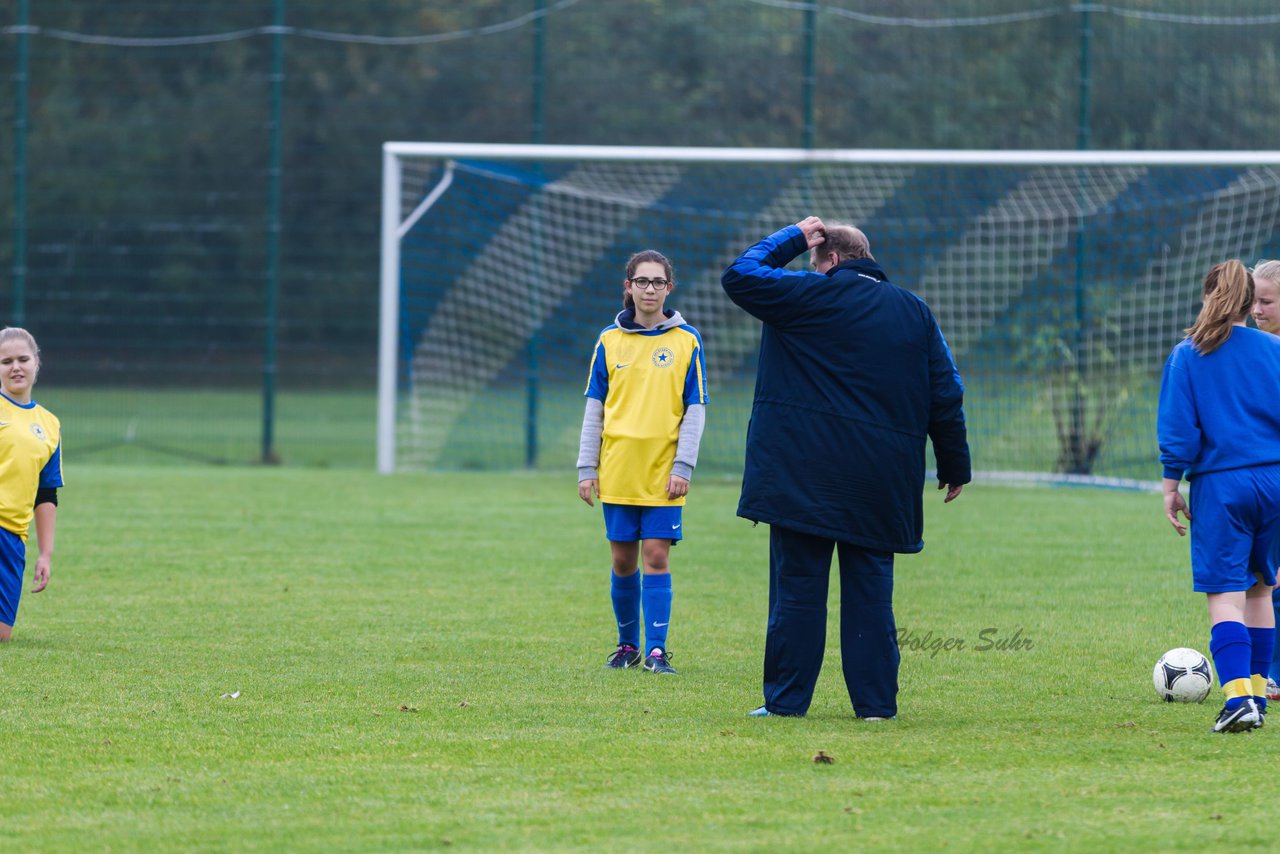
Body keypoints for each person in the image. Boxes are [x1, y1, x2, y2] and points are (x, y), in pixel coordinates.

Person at [720, 217, 970, 719]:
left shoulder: (805, 294)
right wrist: (953, 462)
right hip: (881, 480)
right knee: (871, 595)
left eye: (815, 258)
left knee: (798, 593)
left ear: (828, 259)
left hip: (802, 475)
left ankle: (786, 705)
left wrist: (792, 236)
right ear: (867, 257)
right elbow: (946, 390)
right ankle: (876, 707)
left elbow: (740, 275)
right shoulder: (915, 312)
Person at [1160, 259, 1280, 732]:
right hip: (1275, 481)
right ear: (1250, 302)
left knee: (1224, 597)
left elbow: (1179, 432)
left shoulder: (1189, 354)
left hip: (1223, 484)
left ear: (1210, 295)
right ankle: (1257, 695)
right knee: (1261, 590)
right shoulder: (1274, 349)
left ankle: (1237, 702)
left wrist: (1172, 484)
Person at [578, 250, 708, 675]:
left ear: (669, 288)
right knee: (622, 561)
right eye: (641, 281)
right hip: (618, 470)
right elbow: (594, 408)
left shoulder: (686, 340)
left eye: (657, 282)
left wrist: (683, 466)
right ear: (628, 287)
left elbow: (695, 409)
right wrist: (587, 468)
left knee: (655, 556)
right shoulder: (608, 341)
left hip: (662, 474)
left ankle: (656, 651)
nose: (649, 289)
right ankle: (626, 645)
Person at [0, 327, 63, 642]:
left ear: (36, 362)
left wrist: (45, 554)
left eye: (22, 359)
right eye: (5, 361)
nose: (15, 367)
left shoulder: (49, 425)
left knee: (2, 635)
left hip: (13, 537)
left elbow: (46, 494)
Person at [1250, 259, 1280, 702]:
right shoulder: (1249, 348)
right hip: (1259, 479)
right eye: (1253, 300)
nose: (1256, 309)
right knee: (1266, 578)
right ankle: (1268, 674)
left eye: (1267, 301)